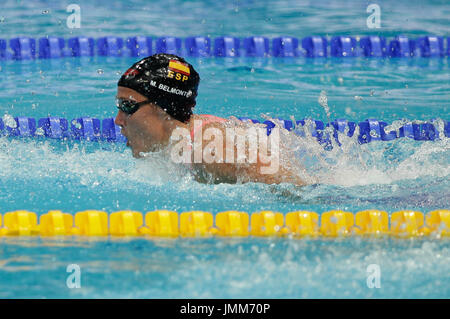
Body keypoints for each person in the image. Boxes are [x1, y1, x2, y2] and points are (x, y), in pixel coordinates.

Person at [115, 53, 311, 185]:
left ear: (163, 108)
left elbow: (302, 192)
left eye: (127, 106)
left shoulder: (211, 148)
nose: (118, 120)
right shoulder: (180, 144)